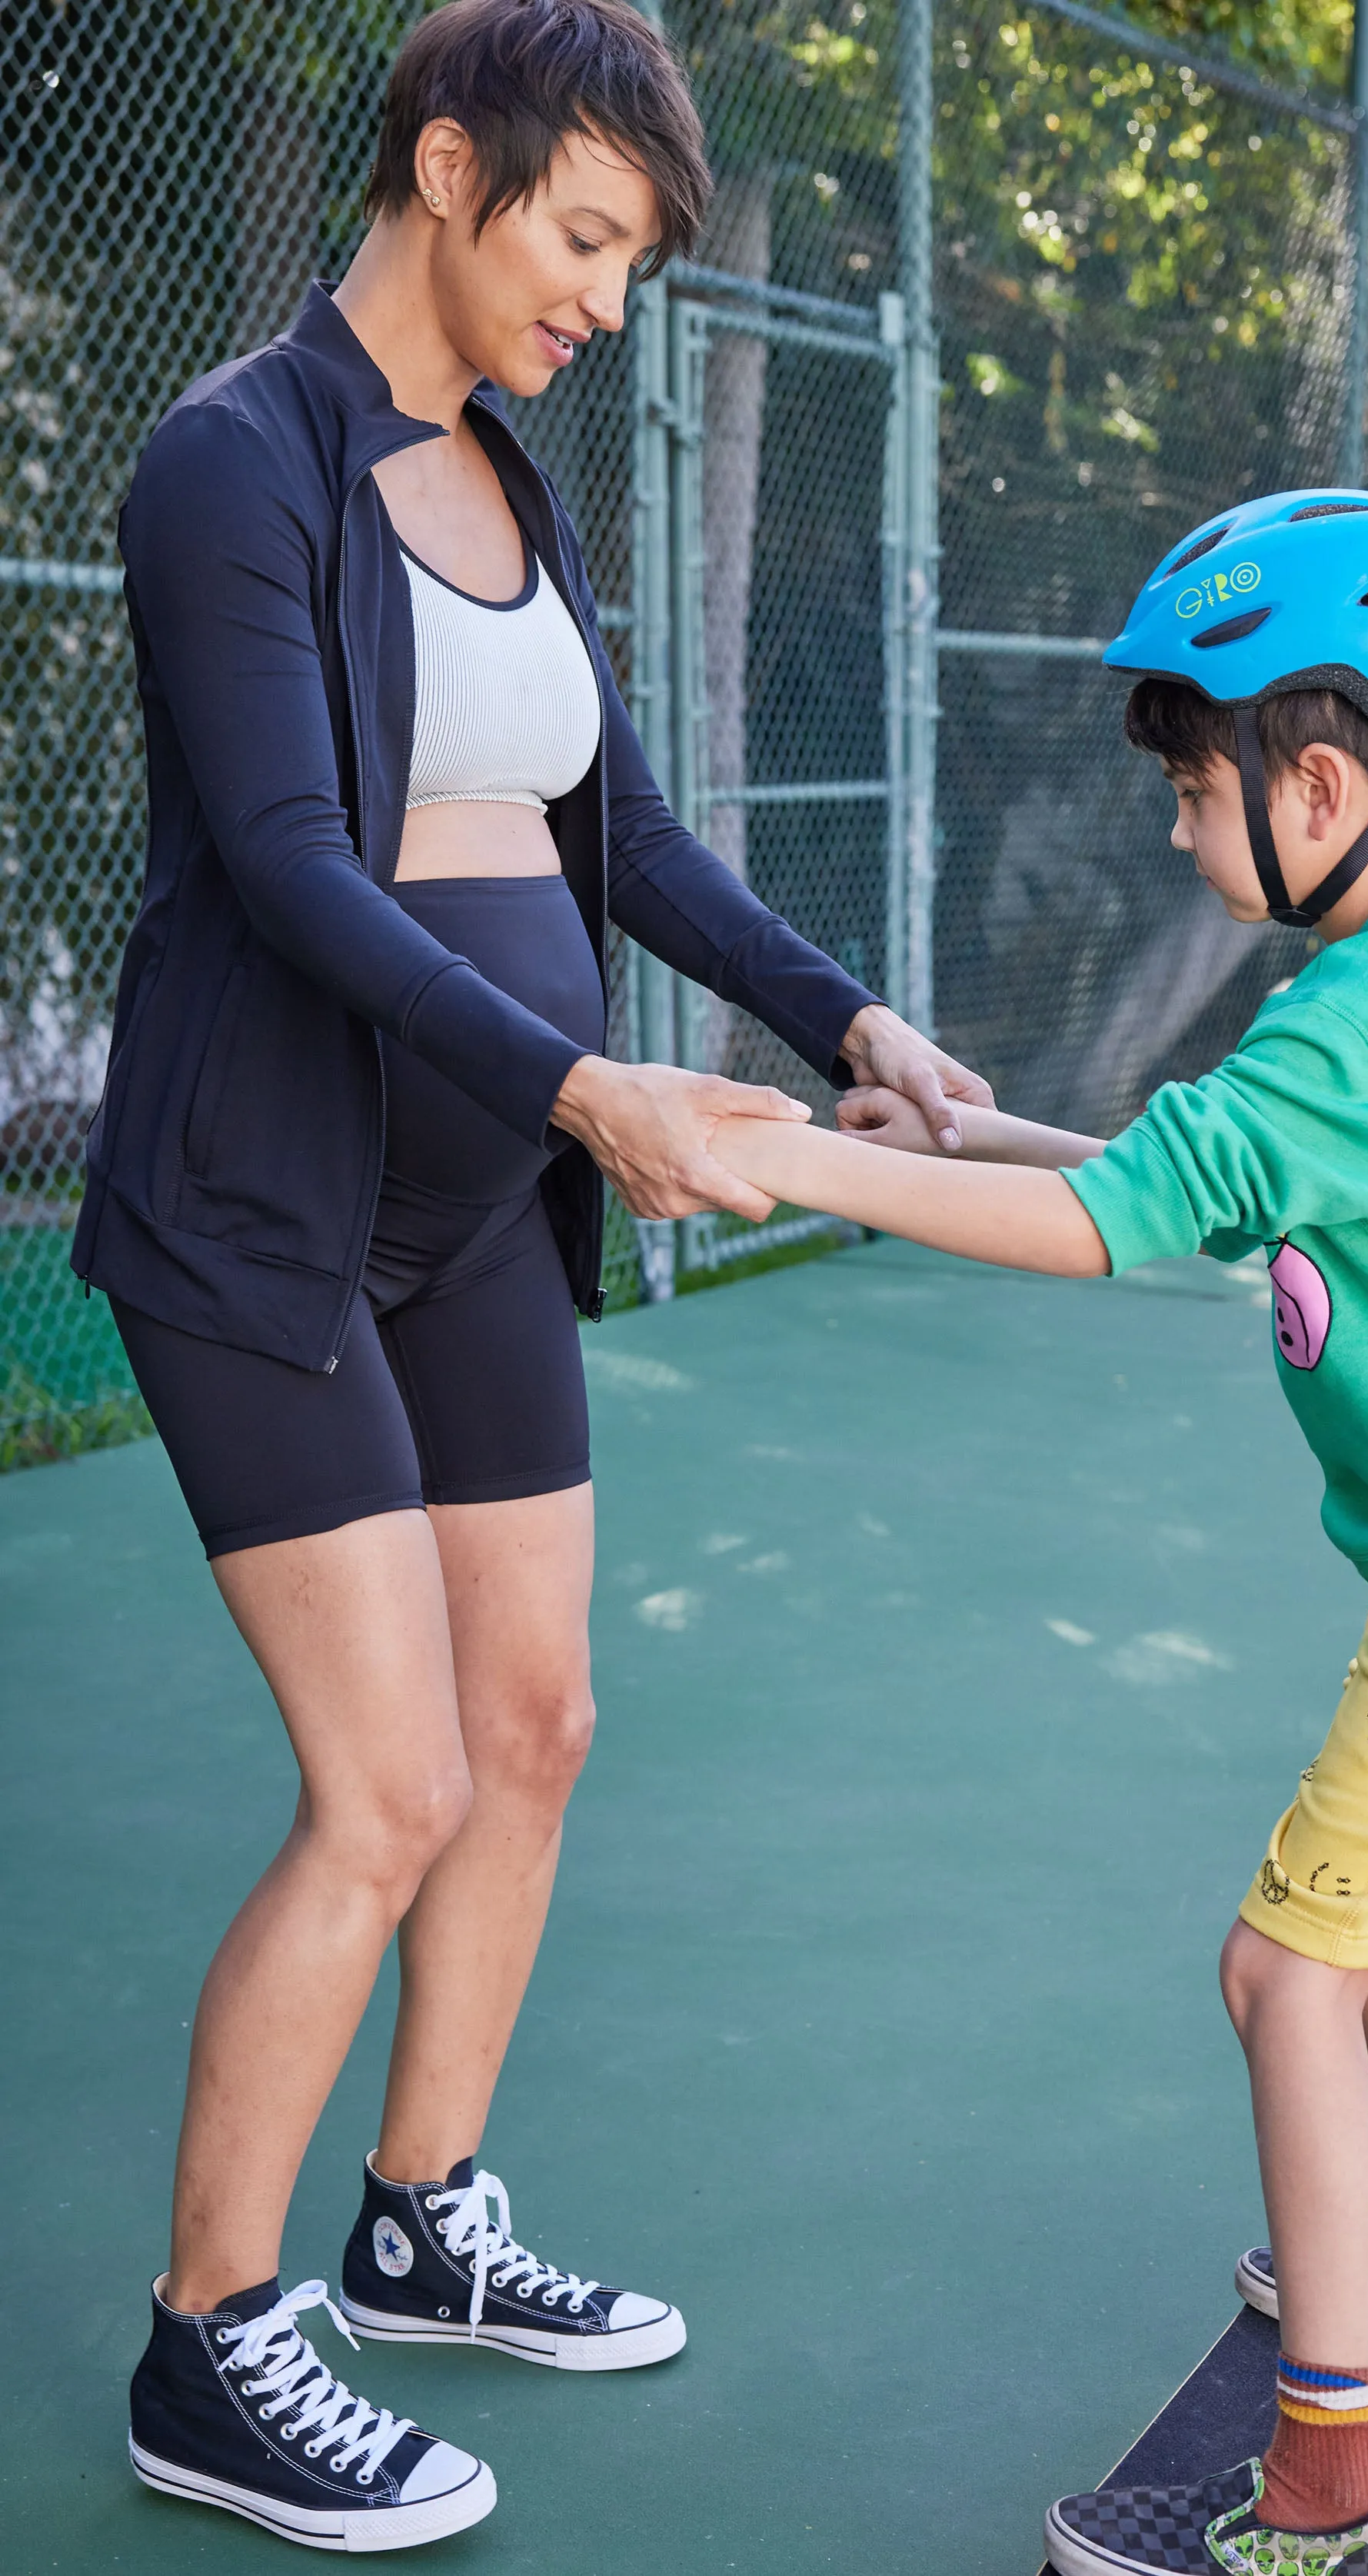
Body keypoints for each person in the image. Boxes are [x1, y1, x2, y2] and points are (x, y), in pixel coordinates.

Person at [78, 0, 989, 2551]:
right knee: (381, 1790)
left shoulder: (514, 474)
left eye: (628, 262)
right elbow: (285, 859)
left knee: (538, 1723)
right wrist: (601, 1092)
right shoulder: (225, 464)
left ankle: (425, 2216)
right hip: (262, 1205)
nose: (603, 298)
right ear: (450, 168)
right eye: (583, 240)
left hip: (471, 1199)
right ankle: (210, 2338)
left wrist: (850, 1020)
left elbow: (630, 836)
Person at [705, 489, 1368, 2576]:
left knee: (1284, 1975)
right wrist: (962, 1128)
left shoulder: (1362, 1023)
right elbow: (1188, 1176)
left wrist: (796, 1160)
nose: (1176, 830)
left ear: (1315, 781)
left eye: (1191, 788)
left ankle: (1332, 2479)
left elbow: (1108, 1229)